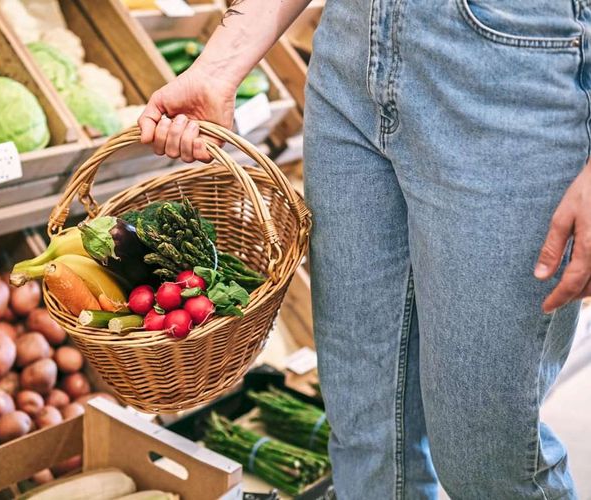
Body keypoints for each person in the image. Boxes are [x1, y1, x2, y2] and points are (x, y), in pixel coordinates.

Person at [138, 1, 590, 498]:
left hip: (509, 61)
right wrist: (218, 66)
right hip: (350, 51)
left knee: (487, 460)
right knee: (365, 434)